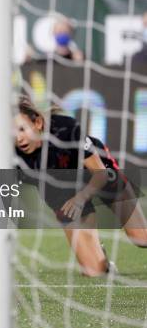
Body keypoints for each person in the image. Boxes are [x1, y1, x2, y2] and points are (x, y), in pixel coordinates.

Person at [14, 95, 147, 277]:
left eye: (22, 129)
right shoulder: (12, 155)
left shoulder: (66, 128)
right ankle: (100, 259)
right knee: (95, 272)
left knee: (141, 238)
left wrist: (81, 198)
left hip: (97, 173)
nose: (19, 138)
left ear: (37, 123)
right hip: (59, 190)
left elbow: (100, 173)